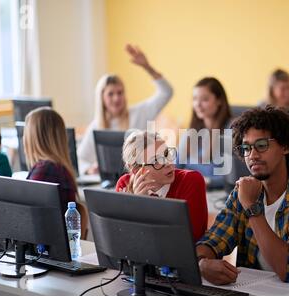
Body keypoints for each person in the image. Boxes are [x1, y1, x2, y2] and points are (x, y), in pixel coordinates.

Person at [196, 107, 289, 288]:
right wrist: (202, 263)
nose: (252, 155)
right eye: (246, 148)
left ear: (285, 146)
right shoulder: (243, 191)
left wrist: (252, 208)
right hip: (259, 292)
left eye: (261, 145)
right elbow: (213, 240)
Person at [78, 44, 173, 175]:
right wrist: (89, 169)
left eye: (120, 93)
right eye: (111, 94)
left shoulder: (139, 113)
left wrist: (147, 67)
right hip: (111, 182)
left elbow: (166, 92)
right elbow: (81, 158)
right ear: (102, 98)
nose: (116, 98)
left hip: (140, 178)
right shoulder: (96, 126)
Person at [116, 130, 208, 242]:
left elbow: (188, 238)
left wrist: (145, 208)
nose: (168, 163)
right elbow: (124, 238)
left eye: (166, 154)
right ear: (136, 170)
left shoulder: (191, 180)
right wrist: (138, 204)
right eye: (156, 161)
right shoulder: (125, 184)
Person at [23, 107, 88, 236]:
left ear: (34, 137)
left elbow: (26, 216)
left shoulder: (46, 169)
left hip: (47, 249)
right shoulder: (56, 167)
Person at [177, 77, 232, 189]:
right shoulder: (190, 133)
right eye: (195, 99)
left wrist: (207, 182)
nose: (198, 104)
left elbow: (235, 176)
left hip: (216, 195)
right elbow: (175, 167)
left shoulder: (230, 131)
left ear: (219, 100)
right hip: (188, 190)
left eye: (205, 99)